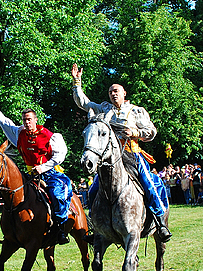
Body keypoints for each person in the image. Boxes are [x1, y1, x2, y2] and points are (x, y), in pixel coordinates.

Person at [71, 63, 172, 242]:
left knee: (149, 184)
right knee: (94, 190)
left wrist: (135, 132)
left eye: (116, 90)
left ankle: (160, 222)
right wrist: (77, 82)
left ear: (124, 93)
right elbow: (84, 103)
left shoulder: (136, 111)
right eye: (110, 91)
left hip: (132, 155)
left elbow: (151, 131)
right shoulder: (104, 108)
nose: (113, 93)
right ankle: (96, 226)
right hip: (110, 158)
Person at [0, 87, 73, 244]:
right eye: (24, 120)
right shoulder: (19, 133)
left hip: (50, 172)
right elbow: (4, 122)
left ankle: (60, 229)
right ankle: (13, 233)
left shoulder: (50, 136)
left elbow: (61, 155)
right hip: (30, 174)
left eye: (29, 119)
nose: (26, 122)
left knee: (57, 195)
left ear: (36, 120)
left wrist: (43, 167)